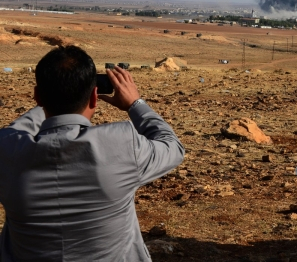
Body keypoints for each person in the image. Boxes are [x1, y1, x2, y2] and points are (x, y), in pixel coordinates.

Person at [0, 46, 185, 261]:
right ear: (95, 97)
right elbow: (172, 146)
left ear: (37, 96)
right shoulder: (121, 144)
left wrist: (52, 98)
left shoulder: (8, 150)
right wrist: (136, 104)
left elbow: (15, 131)